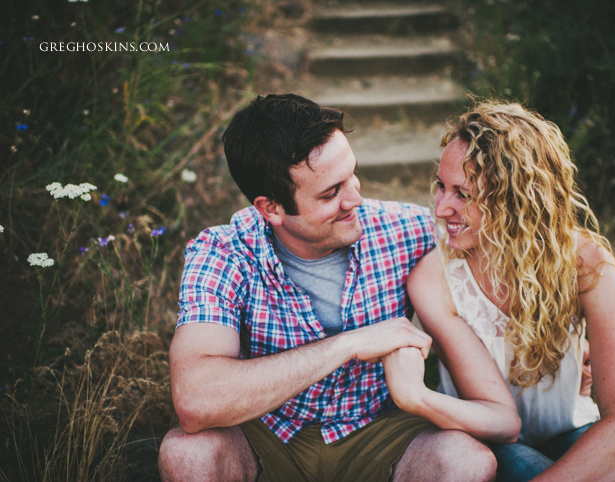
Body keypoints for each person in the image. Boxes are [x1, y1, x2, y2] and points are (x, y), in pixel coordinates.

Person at [157, 94, 519, 482]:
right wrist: (347, 345)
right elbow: (195, 400)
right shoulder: (223, 253)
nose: (356, 198)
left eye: (352, 174)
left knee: (467, 461)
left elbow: (516, 241)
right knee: (186, 454)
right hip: (265, 434)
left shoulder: (407, 232)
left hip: (381, 434)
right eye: (331, 193)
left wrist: (577, 329)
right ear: (272, 208)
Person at [384, 100, 615, 481]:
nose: (441, 207)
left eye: (463, 193)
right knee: (520, 464)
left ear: (515, 198)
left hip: (573, 429)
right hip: (490, 441)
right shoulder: (436, 278)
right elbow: (501, 421)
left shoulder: (587, 263)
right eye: (441, 186)